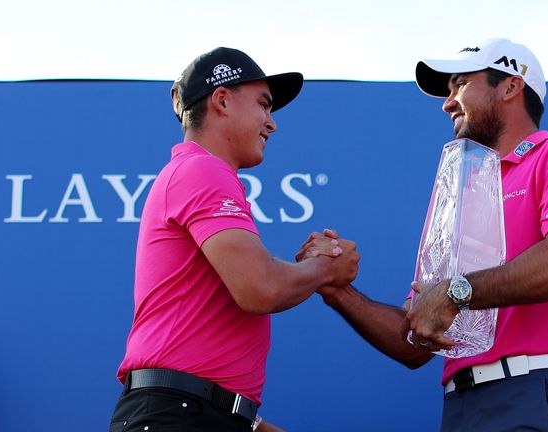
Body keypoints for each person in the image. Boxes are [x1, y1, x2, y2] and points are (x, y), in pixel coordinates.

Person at [299, 38, 548, 431]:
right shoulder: (459, 194)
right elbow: (415, 341)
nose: (447, 103)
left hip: (536, 390)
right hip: (461, 407)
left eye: (461, 84)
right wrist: (334, 286)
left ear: (510, 86)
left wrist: (456, 292)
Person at [109, 47, 360, 432]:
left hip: (192, 412)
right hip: (176, 415)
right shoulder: (202, 169)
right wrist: (327, 267)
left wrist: (248, 423)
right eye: (264, 105)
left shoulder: (196, 171)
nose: (271, 124)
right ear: (222, 100)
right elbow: (261, 287)